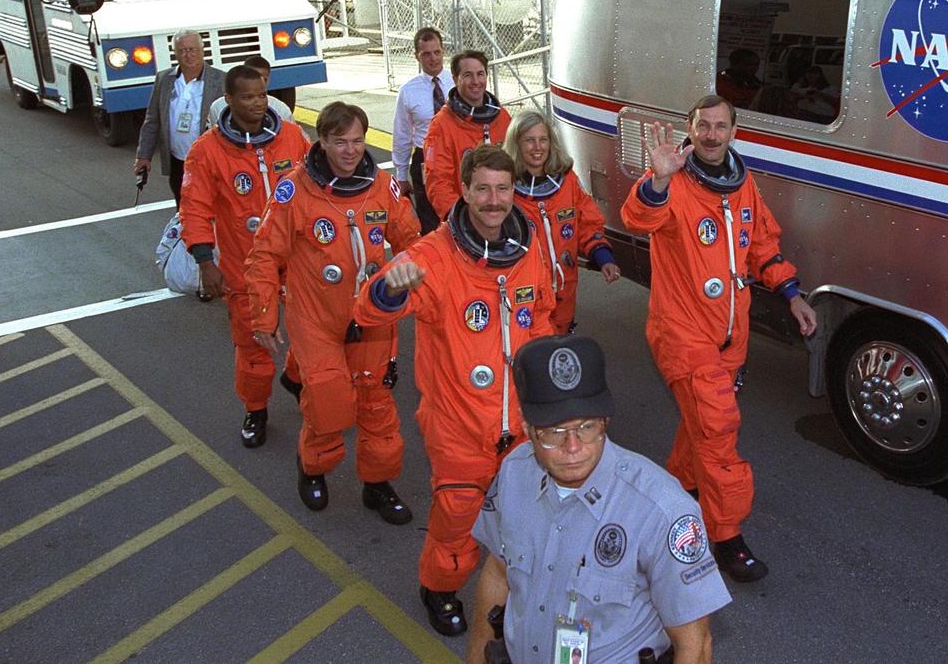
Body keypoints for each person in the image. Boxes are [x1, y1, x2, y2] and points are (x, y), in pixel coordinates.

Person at [352, 144, 555, 637]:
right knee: (457, 522)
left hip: (522, 423)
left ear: (514, 192)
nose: (492, 200)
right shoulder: (434, 255)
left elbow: (543, 319)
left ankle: (509, 593)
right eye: (481, 188)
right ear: (463, 190)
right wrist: (391, 288)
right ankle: (439, 589)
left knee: (526, 521)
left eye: (502, 189)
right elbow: (366, 310)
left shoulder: (529, 250)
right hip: (460, 424)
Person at [620, 95, 817, 583]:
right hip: (683, 332)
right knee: (718, 428)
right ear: (689, 129)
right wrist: (660, 178)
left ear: (734, 132)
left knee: (698, 428)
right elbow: (636, 220)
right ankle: (726, 534)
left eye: (720, 126)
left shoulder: (742, 183)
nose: (710, 134)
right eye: (702, 126)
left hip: (731, 335)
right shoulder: (675, 187)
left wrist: (792, 295)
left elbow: (762, 246)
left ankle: (677, 493)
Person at [466, 335, 731, 664]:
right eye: (554, 432)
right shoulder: (514, 474)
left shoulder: (661, 509)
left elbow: (696, 646)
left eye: (587, 427)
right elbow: (497, 573)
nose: (573, 447)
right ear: (528, 428)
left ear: (605, 422)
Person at [246, 101, 420, 525]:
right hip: (316, 319)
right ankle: (313, 468)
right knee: (327, 401)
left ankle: (377, 485)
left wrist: (410, 274)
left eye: (358, 141)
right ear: (321, 141)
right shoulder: (295, 190)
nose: (350, 150)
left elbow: (413, 242)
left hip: (372, 321)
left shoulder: (382, 187)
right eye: (340, 141)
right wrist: (264, 316)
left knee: (376, 403)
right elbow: (264, 256)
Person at [179, 65, 309, 447]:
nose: (257, 103)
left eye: (262, 95)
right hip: (245, 266)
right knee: (254, 347)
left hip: (297, 259)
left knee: (311, 332)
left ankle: (296, 378)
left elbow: (319, 186)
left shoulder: (290, 137)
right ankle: (256, 409)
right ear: (230, 100)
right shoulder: (207, 151)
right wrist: (206, 261)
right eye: (248, 97)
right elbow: (194, 208)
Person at [503, 110, 620, 334]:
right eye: (529, 140)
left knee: (561, 342)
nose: (538, 147)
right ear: (516, 144)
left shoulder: (566, 180)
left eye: (543, 139)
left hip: (564, 286)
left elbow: (588, 222)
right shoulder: (505, 189)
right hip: (526, 291)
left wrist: (603, 257)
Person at [135, 30, 225, 207]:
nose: (188, 55)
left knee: (212, 207)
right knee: (183, 209)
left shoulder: (221, 79)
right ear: (175, 53)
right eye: (182, 50)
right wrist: (143, 156)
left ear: (202, 49)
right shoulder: (164, 79)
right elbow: (152, 120)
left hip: (209, 162)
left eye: (192, 49)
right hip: (177, 161)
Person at [423, 50, 510, 221]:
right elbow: (438, 183)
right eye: (468, 75)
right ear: (456, 79)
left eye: (480, 74)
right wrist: (460, 220)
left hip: (502, 213)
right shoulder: (441, 125)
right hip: (465, 219)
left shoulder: (502, 118)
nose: (476, 81)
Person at [393, 28, 455, 234]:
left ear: (443, 51)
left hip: (456, 156)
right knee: (429, 220)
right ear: (416, 56)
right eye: (426, 54)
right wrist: (401, 177)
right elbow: (402, 136)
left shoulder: (459, 82)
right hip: (424, 160)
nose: (433, 59)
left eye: (437, 52)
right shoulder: (408, 91)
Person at [206, 56, 293, 130]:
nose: (258, 83)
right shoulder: (217, 107)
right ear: (228, 99)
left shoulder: (281, 109)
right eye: (248, 97)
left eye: (264, 79)